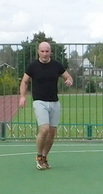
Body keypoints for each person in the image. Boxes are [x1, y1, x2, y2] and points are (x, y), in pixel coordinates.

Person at [18, 41, 73, 170]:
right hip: (39, 101)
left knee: (52, 133)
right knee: (44, 129)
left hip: (54, 102)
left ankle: (44, 157)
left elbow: (68, 77)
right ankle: (38, 156)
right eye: (42, 51)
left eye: (47, 51)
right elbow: (24, 81)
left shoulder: (56, 65)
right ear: (38, 52)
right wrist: (22, 96)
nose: (44, 54)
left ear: (50, 52)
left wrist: (69, 80)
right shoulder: (33, 66)